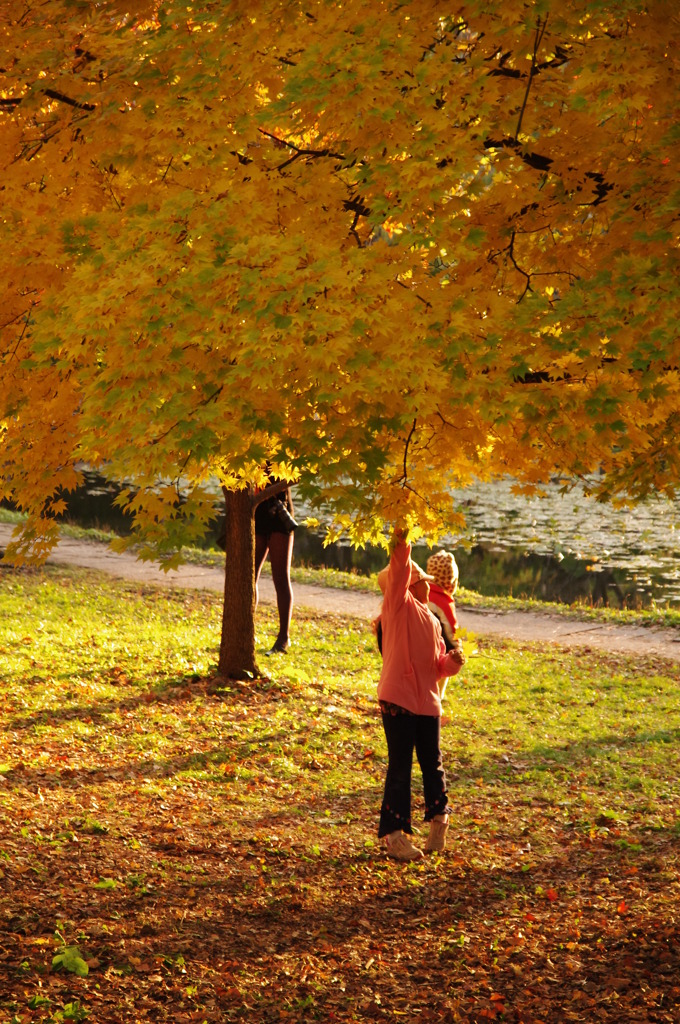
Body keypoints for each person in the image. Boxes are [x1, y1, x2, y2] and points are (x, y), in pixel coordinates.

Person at [376, 530, 466, 861]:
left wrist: (452, 662)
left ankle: (440, 819)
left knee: (433, 764)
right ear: (409, 586)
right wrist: (402, 534)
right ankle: (396, 835)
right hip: (398, 700)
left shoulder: (430, 618)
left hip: (427, 702)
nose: (430, 585)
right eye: (423, 580)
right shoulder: (397, 607)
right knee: (400, 767)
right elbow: (399, 566)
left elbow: (437, 666)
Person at [254, 484, 297, 655]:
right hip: (256, 510)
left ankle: (283, 638)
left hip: (280, 510)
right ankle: (246, 629)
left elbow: (291, 477)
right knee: (250, 575)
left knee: (280, 578)